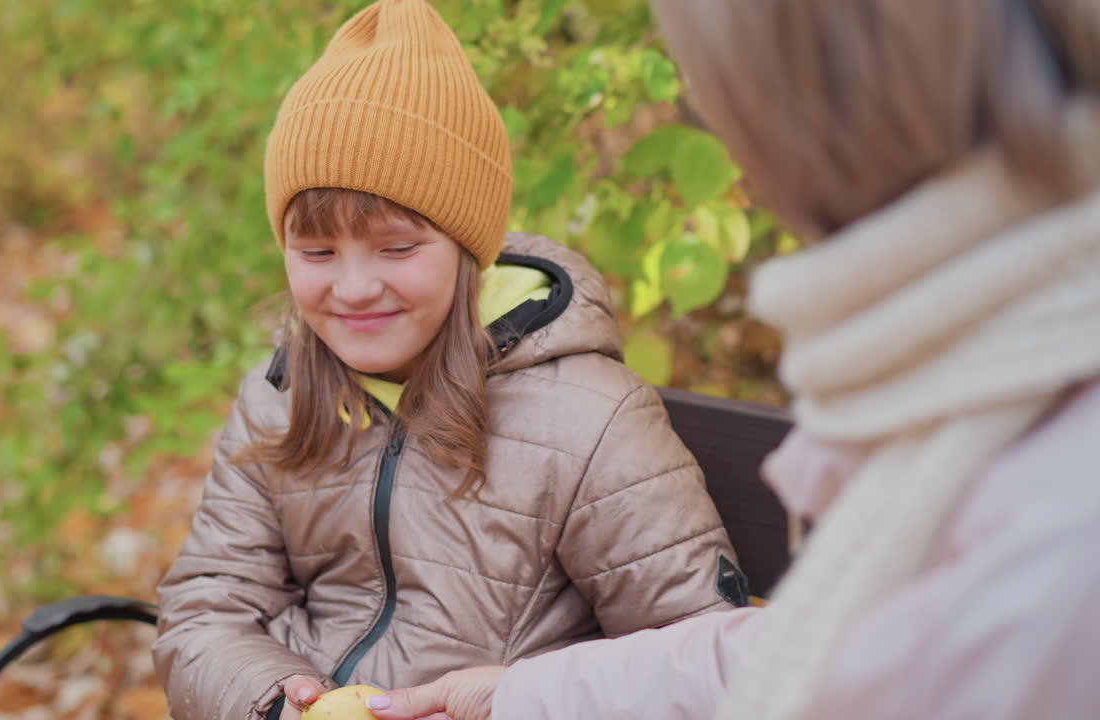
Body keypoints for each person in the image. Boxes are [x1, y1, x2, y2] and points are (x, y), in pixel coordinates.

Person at [363, 1, 1100, 719]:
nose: (356, 284)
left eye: (397, 246)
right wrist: (516, 698)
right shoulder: (984, 395)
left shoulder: (1053, 536)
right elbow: (818, 653)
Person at [150, 2, 746, 719]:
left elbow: (696, 666)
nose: (355, 286)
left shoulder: (588, 419)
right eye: (316, 252)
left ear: (469, 250)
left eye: (397, 248)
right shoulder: (279, 395)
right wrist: (278, 703)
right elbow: (206, 609)